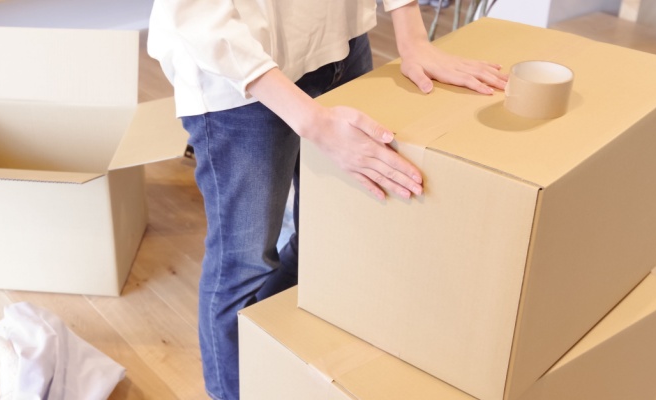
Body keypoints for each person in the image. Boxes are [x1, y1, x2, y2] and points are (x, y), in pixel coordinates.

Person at [147, 1, 507, 399]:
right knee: (245, 264)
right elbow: (197, 14)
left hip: (343, 44)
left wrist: (413, 35)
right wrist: (313, 122)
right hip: (239, 76)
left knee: (323, 237)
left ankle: (276, 360)